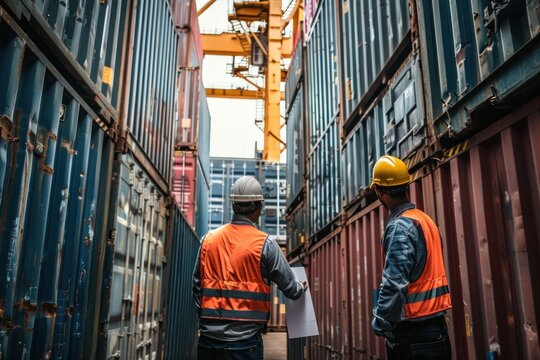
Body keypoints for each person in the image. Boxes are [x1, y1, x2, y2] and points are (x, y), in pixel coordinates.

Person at [193, 175, 307, 359]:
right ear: (258, 207)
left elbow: (197, 287)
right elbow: (290, 289)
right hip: (245, 345)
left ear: (233, 205)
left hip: (208, 343)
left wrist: (211, 322)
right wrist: (301, 287)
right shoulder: (265, 244)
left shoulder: (208, 240)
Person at [370, 155, 452, 359]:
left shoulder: (400, 227)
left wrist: (380, 322)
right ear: (405, 186)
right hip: (436, 329)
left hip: (414, 336)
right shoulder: (424, 220)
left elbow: (394, 282)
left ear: (379, 192)